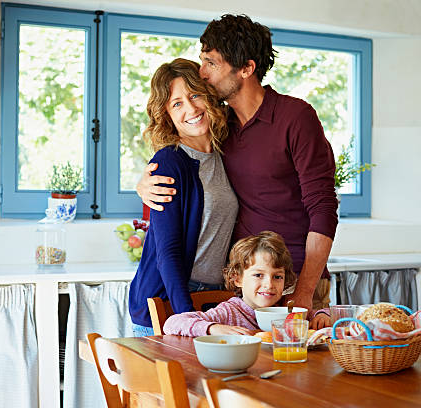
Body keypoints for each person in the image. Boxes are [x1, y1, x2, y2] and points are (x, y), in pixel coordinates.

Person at [137, 15, 338, 324]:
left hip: (295, 282)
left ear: (246, 68)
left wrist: (305, 292)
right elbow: (184, 164)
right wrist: (144, 183)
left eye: (211, 64)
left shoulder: (295, 117)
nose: (201, 73)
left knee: (302, 372)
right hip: (243, 290)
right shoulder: (221, 127)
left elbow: (323, 207)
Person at [128, 58, 238, 337]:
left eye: (194, 95)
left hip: (212, 300)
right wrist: (188, 319)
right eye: (177, 103)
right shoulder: (169, 163)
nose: (191, 109)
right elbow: (168, 252)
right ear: (166, 114)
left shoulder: (224, 154)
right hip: (167, 305)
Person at [163, 231, 331, 337]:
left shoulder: (286, 309)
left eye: (277, 277)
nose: (269, 284)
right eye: (259, 275)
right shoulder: (229, 312)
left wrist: (321, 316)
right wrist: (212, 328)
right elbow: (172, 323)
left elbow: (321, 313)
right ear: (238, 279)